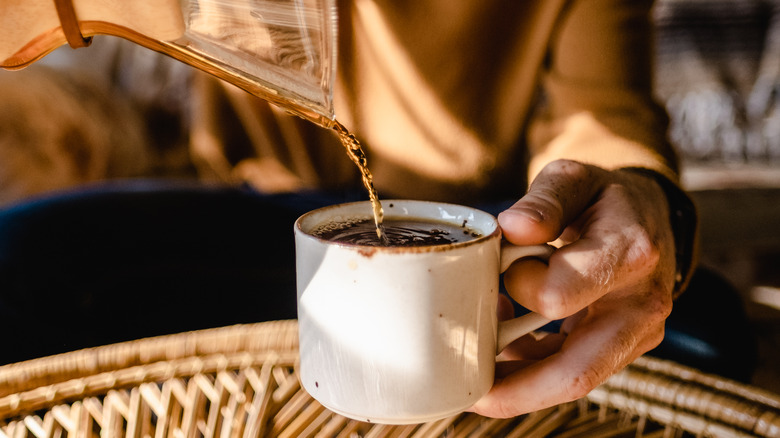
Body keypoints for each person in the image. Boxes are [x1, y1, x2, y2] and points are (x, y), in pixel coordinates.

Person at [0, 0, 748, 419]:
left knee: (702, 324)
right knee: (19, 257)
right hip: (255, 225)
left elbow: (606, 115)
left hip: (459, 239)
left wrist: (647, 210)